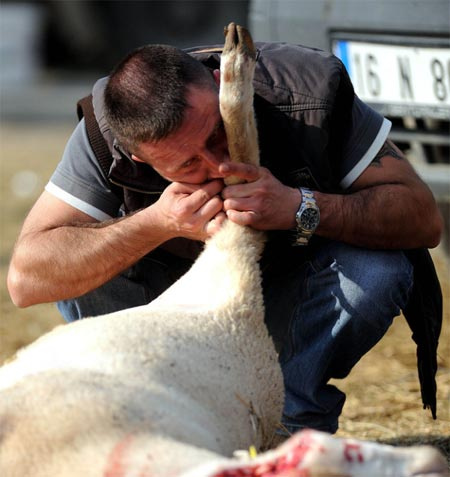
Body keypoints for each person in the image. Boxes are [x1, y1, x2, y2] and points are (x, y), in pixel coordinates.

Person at [7, 41, 443, 435]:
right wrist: (157, 222)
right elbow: (27, 280)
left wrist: (299, 207)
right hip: (172, 323)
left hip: (293, 293)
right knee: (81, 256)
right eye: (186, 165)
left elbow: (423, 219)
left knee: (379, 269)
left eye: (217, 133)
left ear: (222, 85)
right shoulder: (107, 133)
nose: (217, 165)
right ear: (141, 158)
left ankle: (287, 421)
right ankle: (155, 412)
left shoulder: (307, 93)